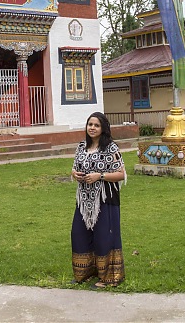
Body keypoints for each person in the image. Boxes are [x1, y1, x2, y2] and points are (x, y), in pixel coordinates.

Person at [70, 112, 126, 288]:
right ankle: (84, 272)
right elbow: (74, 168)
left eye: (96, 125)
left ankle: (109, 277)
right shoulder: (81, 147)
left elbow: (121, 174)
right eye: (90, 124)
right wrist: (75, 174)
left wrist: (99, 176)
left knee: (104, 237)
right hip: (84, 199)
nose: (92, 128)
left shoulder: (111, 148)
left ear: (103, 129)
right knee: (78, 234)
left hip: (105, 199)